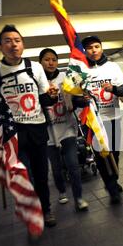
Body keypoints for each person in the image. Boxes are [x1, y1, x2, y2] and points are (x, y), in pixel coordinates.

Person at [0, 25, 58, 227]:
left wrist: (52, 95)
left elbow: (44, 99)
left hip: (37, 128)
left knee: (41, 173)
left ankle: (46, 209)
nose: (13, 44)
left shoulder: (34, 67)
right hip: (13, 133)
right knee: (25, 174)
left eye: (17, 40)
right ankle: (33, 208)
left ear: (22, 44)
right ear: (0, 46)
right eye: (7, 41)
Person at [39, 48, 89, 212]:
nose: (51, 62)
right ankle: (61, 191)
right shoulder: (37, 81)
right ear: (40, 62)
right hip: (47, 132)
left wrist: (84, 99)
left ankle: (79, 197)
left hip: (67, 127)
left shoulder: (67, 77)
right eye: (47, 59)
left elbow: (78, 98)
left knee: (73, 165)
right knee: (56, 168)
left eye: (54, 59)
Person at [81, 35, 123, 204]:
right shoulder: (81, 70)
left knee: (114, 153)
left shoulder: (113, 67)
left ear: (101, 47)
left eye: (96, 46)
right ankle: (110, 186)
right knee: (101, 155)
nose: (93, 50)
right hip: (94, 121)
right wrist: (82, 98)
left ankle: (114, 179)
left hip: (113, 118)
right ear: (85, 51)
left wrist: (114, 88)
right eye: (89, 48)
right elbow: (75, 97)